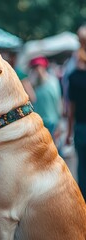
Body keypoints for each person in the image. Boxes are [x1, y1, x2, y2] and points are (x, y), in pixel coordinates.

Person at [66, 34, 86, 199]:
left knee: (82, 167)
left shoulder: (73, 77)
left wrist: (68, 133)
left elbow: (71, 109)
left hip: (80, 127)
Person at [27, 56, 62, 138]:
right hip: (38, 123)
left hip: (52, 122)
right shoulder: (32, 84)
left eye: (38, 66)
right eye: (34, 67)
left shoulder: (53, 82)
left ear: (44, 67)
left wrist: (59, 125)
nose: (37, 70)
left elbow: (58, 101)